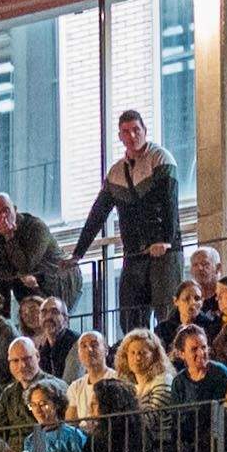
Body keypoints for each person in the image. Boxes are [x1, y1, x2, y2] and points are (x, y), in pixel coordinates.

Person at [79, 109, 181, 332]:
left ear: (145, 131)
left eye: (136, 130)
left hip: (165, 251)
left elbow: (169, 203)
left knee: (168, 315)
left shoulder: (161, 158)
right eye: (126, 131)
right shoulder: (116, 172)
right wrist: (78, 253)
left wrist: (166, 240)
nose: (132, 135)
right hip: (134, 254)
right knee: (130, 318)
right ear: (120, 136)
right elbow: (98, 213)